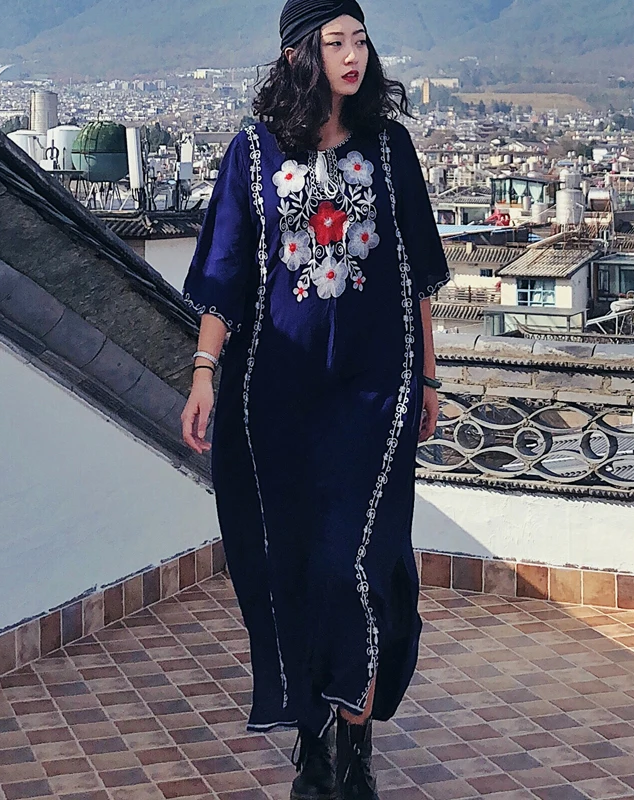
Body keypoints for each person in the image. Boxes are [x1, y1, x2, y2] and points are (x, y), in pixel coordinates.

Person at [181, 1, 449, 797]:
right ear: (299, 54)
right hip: (279, 399)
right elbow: (226, 272)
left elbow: (418, 275)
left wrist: (429, 377)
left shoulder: (390, 149)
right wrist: (204, 372)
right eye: (336, 41)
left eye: (360, 39)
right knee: (294, 566)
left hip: (374, 392)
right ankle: (314, 742)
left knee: (356, 564)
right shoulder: (251, 151)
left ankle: (356, 742)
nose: (353, 54)